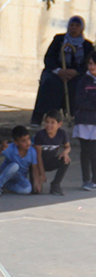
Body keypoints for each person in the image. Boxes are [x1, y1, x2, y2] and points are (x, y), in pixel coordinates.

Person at [30, 16, 94, 126]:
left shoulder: (87, 45)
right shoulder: (59, 40)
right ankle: (41, 117)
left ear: (81, 28)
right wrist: (59, 71)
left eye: (77, 25)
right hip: (57, 72)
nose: (74, 28)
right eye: (72, 25)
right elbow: (49, 58)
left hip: (76, 74)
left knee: (80, 85)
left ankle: (75, 116)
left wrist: (75, 72)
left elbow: (88, 63)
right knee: (50, 83)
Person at [0, 126, 42, 196]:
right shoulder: (10, 148)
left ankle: (7, 186)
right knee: (15, 166)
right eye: (23, 141)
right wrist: (1, 148)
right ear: (16, 142)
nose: (27, 143)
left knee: (27, 189)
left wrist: (36, 182)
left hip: (20, 176)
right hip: (7, 173)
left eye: (28, 139)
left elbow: (34, 168)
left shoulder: (32, 151)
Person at [33, 109, 71, 195]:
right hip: (37, 164)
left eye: (52, 122)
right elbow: (38, 156)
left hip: (50, 162)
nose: (49, 125)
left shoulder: (62, 133)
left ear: (59, 124)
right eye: (47, 122)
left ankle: (55, 184)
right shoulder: (40, 135)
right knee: (35, 191)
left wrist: (65, 152)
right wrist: (42, 174)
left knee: (66, 160)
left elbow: (68, 147)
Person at [73, 52, 96, 191]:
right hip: (84, 122)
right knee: (86, 151)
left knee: (94, 152)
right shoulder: (83, 81)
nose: (92, 66)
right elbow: (80, 101)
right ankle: (86, 180)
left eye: (94, 63)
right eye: (90, 63)